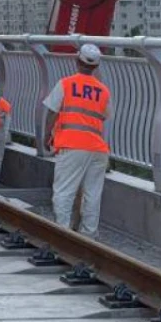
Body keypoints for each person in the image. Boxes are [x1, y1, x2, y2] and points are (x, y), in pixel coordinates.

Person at [43, 43, 112, 238]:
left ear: (77, 60)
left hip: (72, 145)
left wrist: (47, 135)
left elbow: (51, 112)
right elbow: (105, 116)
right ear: (96, 66)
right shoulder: (103, 91)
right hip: (98, 148)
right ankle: (89, 235)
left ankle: (63, 233)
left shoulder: (65, 83)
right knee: (93, 194)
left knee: (64, 191)